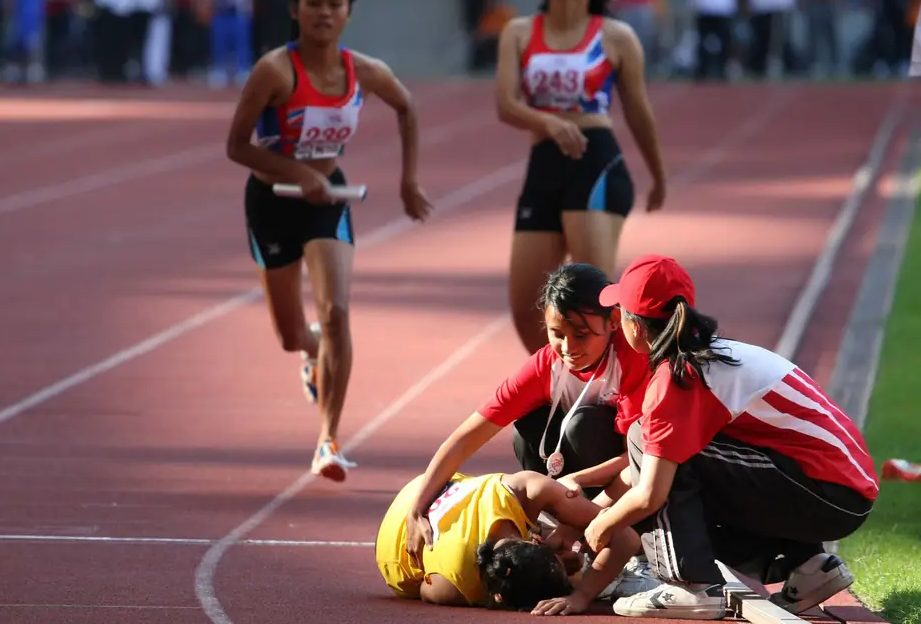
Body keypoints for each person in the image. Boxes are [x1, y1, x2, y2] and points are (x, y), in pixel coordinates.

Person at [225, 0, 432, 482]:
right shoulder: (274, 70)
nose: (323, 12)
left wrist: (409, 181)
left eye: (334, 4)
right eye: (313, 2)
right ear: (295, 9)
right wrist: (293, 169)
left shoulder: (364, 70)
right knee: (291, 333)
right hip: (271, 204)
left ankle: (328, 440)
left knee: (337, 311)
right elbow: (236, 146)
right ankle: (311, 351)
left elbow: (406, 107)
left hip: (328, 202)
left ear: (348, 13)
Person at [582, 253, 878, 620]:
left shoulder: (676, 379)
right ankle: (811, 566)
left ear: (635, 327)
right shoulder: (711, 355)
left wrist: (601, 524)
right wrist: (587, 505)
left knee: (648, 441)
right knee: (669, 461)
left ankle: (689, 586)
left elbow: (650, 492)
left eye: (620, 313)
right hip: (840, 491)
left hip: (828, 493)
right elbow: (646, 470)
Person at [402, 264, 652, 563]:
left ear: (613, 320)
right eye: (556, 333)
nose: (568, 347)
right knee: (527, 428)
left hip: (633, 476)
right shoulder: (545, 366)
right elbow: (468, 436)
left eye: (581, 334)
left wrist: (579, 486)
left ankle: (623, 541)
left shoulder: (633, 360)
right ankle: (558, 531)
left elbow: (640, 458)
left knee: (584, 426)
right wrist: (417, 508)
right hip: (571, 489)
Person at [494, 0, 667, 356]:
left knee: (592, 303)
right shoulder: (519, 32)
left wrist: (658, 175)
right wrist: (549, 122)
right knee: (526, 308)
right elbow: (506, 104)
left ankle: (610, 402)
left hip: (595, 166)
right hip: (544, 166)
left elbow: (638, 111)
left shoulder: (615, 36)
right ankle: (557, 394)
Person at [376, 468, 651, 613]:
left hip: (422, 490)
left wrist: (581, 596)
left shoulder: (527, 488)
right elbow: (427, 592)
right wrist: (581, 588)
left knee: (584, 529)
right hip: (394, 550)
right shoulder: (453, 587)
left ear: (536, 541)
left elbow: (626, 537)